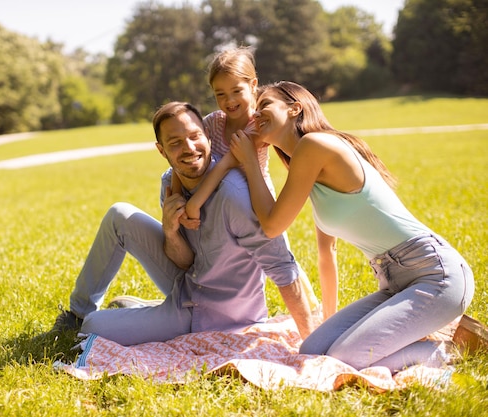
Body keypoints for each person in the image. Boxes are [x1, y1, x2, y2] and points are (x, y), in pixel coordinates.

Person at [197, 80, 475, 372]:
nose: (255, 114)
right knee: (314, 350)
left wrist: (250, 162)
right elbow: (326, 253)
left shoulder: (315, 145)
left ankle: (445, 348)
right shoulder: (311, 171)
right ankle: (422, 330)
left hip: (436, 274)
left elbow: (271, 226)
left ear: (294, 109)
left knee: (343, 359)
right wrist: (328, 322)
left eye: (265, 104)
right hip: (395, 283)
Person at [52, 101, 315, 346]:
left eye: (194, 136)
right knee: (119, 215)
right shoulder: (170, 183)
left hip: (218, 317)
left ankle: (142, 313)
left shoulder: (233, 195)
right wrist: (171, 231)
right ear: (161, 150)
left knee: (93, 325)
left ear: (207, 137)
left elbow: (281, 265)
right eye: (175, 142)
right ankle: (77, 312)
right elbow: (185, 262)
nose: (189, 148)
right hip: (190, 283)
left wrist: (311, 339)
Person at [172, 46, 320, 311]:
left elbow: (225, 165)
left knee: (280, 257)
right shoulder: (214, 122)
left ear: (253, 85)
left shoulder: (257, 125)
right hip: (219, 197)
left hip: (253, 194)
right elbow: (182, 163)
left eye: (236, 91)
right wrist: (175, 198)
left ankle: (312, 307)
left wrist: (193, 205)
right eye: (220, 94)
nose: (229, 101)